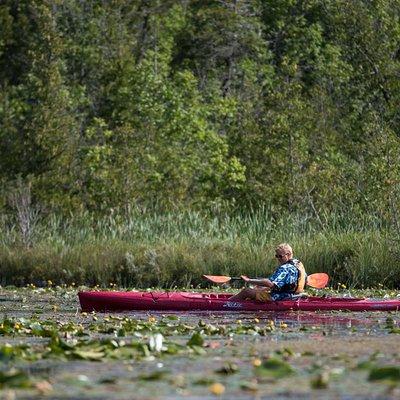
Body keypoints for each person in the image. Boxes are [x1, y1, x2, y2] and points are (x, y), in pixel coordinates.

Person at [229, 243, 306, 302]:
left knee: (246, 291)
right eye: (277, 256)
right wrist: (261, 287)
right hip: (294, 296)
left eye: (280, 256)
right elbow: (305, 280)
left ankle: (226, 303)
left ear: (288, 254)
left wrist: (248, 280)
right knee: (259, 288)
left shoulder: (285, 268)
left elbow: (270, 283)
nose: (278, 259)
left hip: (280, 297)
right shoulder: (299, 264)